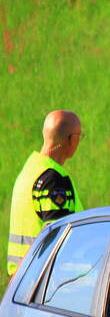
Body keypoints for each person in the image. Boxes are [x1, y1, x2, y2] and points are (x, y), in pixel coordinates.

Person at [8, 110, 84, 275]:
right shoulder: (53, 178)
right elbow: (59, 236)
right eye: (80, 136)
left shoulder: (30, 170)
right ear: (72, 139)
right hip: (45, 281)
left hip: (24, 277)